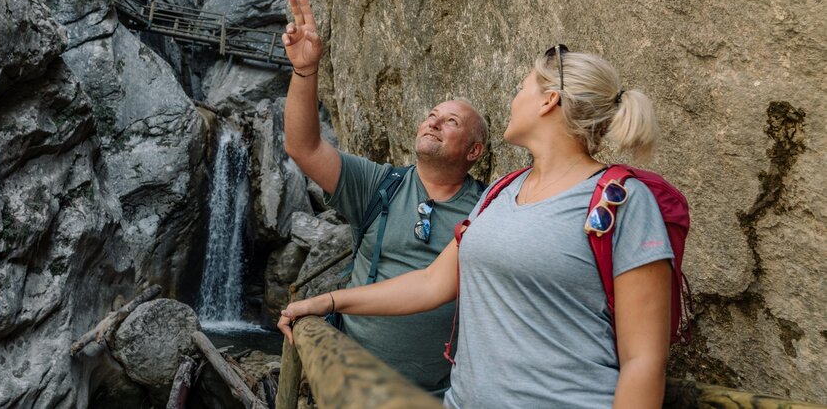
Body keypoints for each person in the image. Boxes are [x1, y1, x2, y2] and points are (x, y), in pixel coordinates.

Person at [278, 45, 675, 409]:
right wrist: (327, 302)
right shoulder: (502, 193)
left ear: (548, 101)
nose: (513, 98)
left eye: (522, 88)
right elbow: (432, 283)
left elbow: (643, 361)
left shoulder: (623, 202)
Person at [280, 0, 488, 395]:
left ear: (474, 151)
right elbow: (303, 148)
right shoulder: (381, 184)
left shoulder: (487, 208)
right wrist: (305, 71)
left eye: (450, 122)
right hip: (346, 378)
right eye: (431, 116)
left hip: (434, 394)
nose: (433, 123)